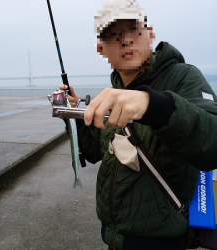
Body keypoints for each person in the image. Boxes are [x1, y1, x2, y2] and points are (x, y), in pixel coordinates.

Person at [59, 0, 217, 249]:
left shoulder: (184, 76)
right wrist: (74, 115)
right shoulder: (114, 91)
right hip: (113, 235)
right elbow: (92, 152)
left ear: (150, 34)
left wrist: (153, 105)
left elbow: (213, 143)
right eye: (113, 35)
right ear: (101, 49)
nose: (125, 40)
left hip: (161, 238)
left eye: (133, 30)